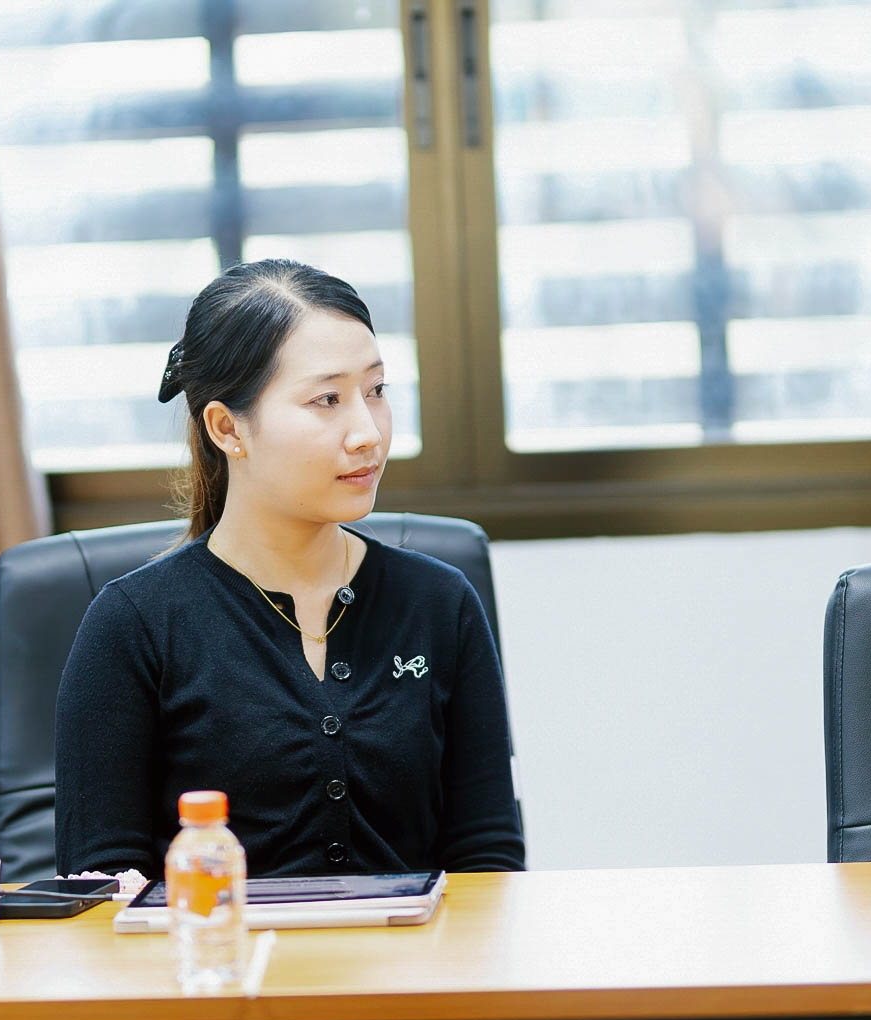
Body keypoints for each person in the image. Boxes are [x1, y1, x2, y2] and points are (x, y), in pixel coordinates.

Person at [53, 259, 526, 878]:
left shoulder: (440, 602)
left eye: (376, 390)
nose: (367, 432)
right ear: (228, 428)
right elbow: (101, 885)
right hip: (217, 943)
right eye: (327, 399)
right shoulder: (133, 626)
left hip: (421, 947)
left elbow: (488, 862)